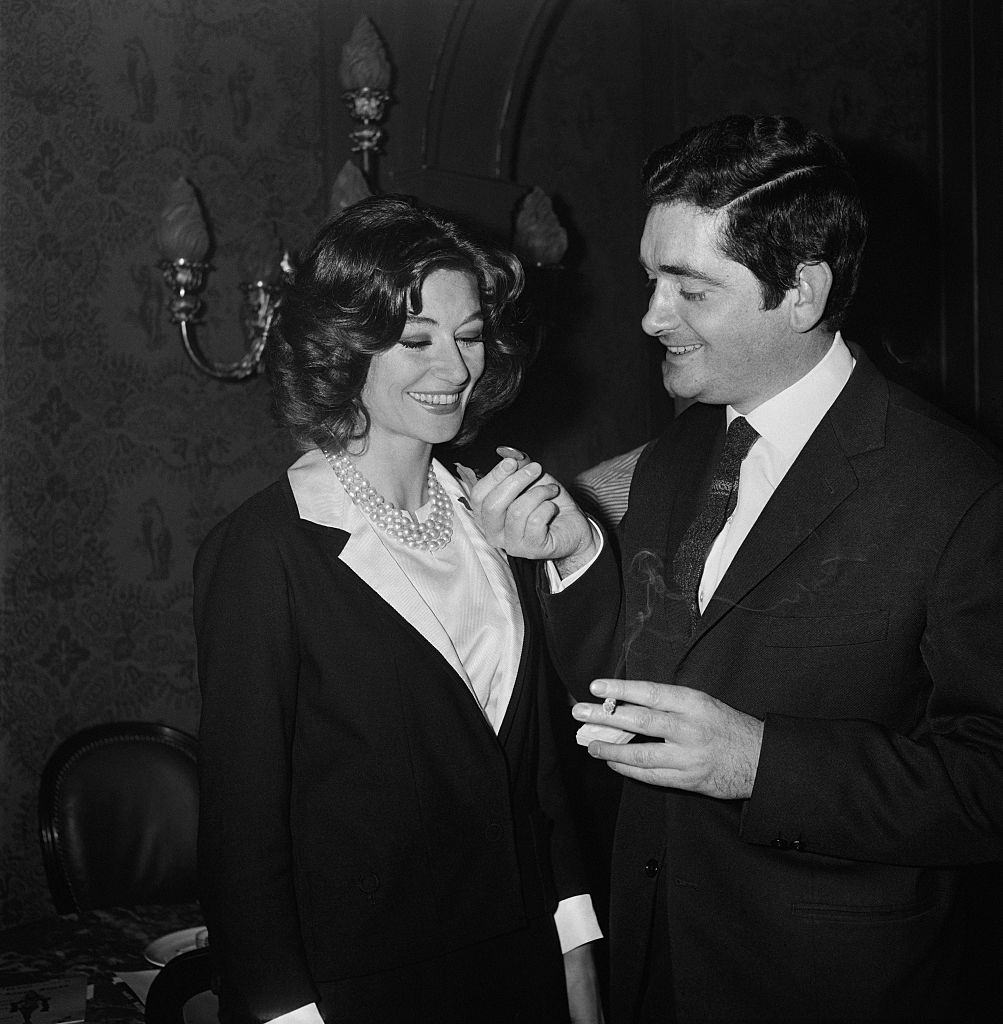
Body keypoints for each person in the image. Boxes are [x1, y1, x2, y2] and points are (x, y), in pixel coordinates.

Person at [469, 114, 1003, 1022]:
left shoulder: (956, 490)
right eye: (651, 279)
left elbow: (989, 781)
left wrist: (760, 763)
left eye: (690, 288)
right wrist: (575, 556)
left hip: (829, 987)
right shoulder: (680, 454)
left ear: (800, 293)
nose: (649, 317)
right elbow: (647, 679)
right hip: (656, 962)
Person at [193, 194, 604, 1024]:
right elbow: (243, 835)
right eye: (416, 339)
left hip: (521, 969)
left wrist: (579, 967)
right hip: (361, 990)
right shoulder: (263, 549)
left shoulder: (497, 517)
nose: (454, 368)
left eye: (470, 334)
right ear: (346, 346)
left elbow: (541, 783)